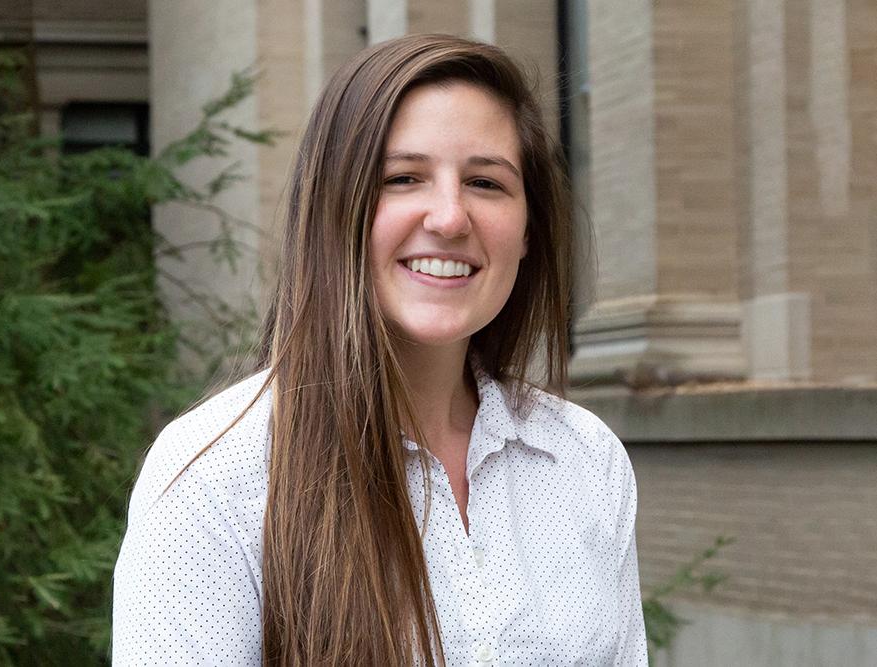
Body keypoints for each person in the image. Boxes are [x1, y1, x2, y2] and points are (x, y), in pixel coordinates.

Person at [112, 34, 648, 666]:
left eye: (485, 182)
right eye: (403, 178)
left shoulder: (584, 460)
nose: (449, 218)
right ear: (336, 211)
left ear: (529, 230)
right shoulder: (214, 479)